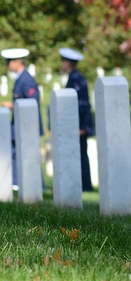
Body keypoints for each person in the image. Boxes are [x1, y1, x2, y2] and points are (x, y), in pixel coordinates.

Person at [1, 47, 42, 186]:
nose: (7, 65)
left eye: (9, 62)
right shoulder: (21, 79)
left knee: (28, 156)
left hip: (27, 125)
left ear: (17, 62)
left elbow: (32, 103)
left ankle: (32, 184)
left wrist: (12, 105)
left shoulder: (26, 80)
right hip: (20, 124)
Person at [59, 47, 95, 191]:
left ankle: (86, 186)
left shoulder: (76, 79)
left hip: (79, 126)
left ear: (68, 63)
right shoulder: (74, 78)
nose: (62, 64)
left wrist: (82, 127)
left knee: (81, 155)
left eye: (64, 61)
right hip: (76, 125)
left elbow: (82, 105)